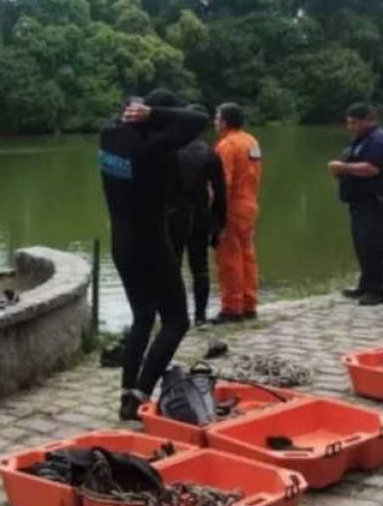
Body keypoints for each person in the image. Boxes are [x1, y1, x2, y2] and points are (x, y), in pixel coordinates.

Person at [99, 89, 208, 420]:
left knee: (143, 317)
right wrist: (156, 115)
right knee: (177, 320)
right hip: (151, 241)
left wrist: (143, 112)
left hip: (121, 240)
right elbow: (198, 120)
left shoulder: (108, 136)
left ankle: (126, 394)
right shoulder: (152, 147)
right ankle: (140, 393)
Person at [329, 103, 383, 306]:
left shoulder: (379, 140)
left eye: (354, 123)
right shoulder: (362, 139)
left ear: (369, 119)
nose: (350, 127)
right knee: (362, 246)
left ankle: (377, 291)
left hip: (376, 203)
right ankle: (365, 285)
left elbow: (371, 169)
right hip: (360, 202)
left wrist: (342, 168)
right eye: (348, 122)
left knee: (375, 247)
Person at [168, 104, 227, 326]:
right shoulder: (210, 153)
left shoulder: (170, 149)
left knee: (172, 266)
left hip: (173, 216)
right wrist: (219, 224)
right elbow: (221, 193)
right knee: (200, 268)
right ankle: (200, 317)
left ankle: (174, 315)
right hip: (200, 215)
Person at [212, 103, 263, 324]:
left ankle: (232, 308)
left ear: (224, 122)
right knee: (247, 256)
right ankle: (249, 304)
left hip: (232, 207)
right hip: (250, 203)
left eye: (216, 118)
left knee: (229, 258)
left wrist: (214, 211)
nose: (214, 122)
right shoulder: (252, 141)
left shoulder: (226, 146)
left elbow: (222, 183)